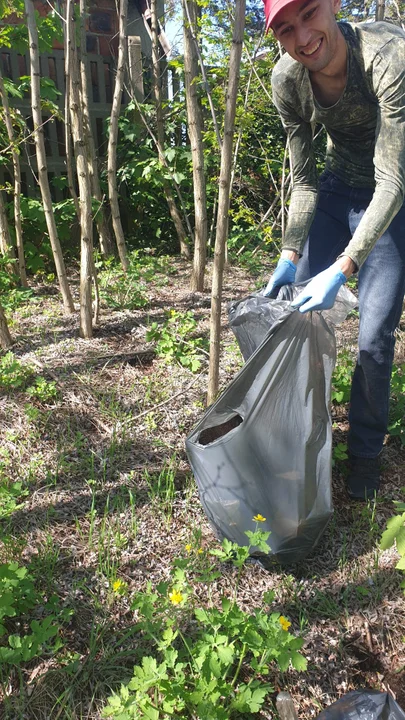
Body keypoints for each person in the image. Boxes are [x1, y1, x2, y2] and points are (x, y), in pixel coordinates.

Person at [262, 0, 405, 500]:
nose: (302, 36)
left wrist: (344, 266)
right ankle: (305, 440)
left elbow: (391, 181)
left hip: (391, 197)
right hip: (335, 187)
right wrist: (290, 253)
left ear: (334, 5)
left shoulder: (386, 57)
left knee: (374, 338)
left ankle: (364, 454)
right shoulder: (288, 80)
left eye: (308, 13)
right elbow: (302, 182)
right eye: (285, 29)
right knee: (302, 325)